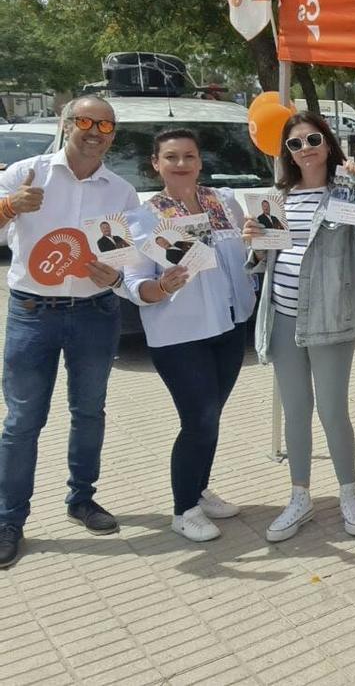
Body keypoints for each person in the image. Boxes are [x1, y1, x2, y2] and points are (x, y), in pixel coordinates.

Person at [0, 97, 139, 570]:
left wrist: (114, 274)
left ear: (113, 133)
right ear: (65, 125)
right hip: (32, 312)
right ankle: (9, 520)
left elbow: (123, 255)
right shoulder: (26, 173)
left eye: (105, 124)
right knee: (22, 423)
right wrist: (8, 207)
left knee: (89, 411)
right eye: (85, 121)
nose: (95, 131)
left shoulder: (120, 191)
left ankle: (81, 499)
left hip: (95, 313)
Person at [123, 129, 256, 542]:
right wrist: (163, 287)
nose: (181, 164)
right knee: (197, 420)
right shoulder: (142, 218)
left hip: (230, 328)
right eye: (171, 157)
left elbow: (244, 259)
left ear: (200, 162)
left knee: (211, 419)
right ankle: (183, 510)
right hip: (180, 336)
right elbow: (132, 284)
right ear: (156, 164)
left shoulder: (224, 202)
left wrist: (258, 241)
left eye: (189, 156)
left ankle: (198, 489)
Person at [245, 112, 355, 543]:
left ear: (328, 141)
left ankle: (349, 494)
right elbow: (270, 256)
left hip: (330, 317)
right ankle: (299, 496)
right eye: (295, 144)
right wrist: (256, 245)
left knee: (333, 410)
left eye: (313, 139)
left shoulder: (345, 190)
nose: (305, 149)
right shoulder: (277, 198)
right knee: (295, 410)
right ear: (287, 153)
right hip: (282, 314)